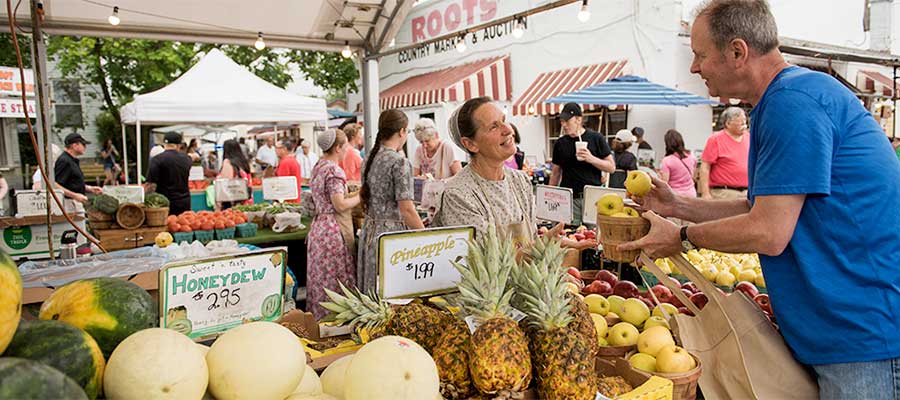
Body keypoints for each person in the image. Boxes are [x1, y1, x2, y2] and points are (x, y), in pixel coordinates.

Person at [618, 1, 900, 397]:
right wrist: (677, 205)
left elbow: (769, 231)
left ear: (737, 52)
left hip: (863, 335)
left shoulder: (793, 104)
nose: (695, 67)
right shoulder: (786, 99)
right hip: (845, 331)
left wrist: (681, 236)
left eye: (700, 56)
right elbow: (763, 209)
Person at [432, 97, 597, 251]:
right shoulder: (458, 195)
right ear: (470, 144)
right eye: (494, 126)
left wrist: (557, 242)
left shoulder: (520, 180)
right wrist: (543, 245)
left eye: (504, 121)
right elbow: (483, 261)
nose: (508, 130)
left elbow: (530, 240)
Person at [357, 110, 425, 292]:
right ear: (402, 131)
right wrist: (427, 238)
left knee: (372, 294)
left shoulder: (369, 159)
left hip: (370, 231)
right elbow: (407, 209)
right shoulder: (399, 162)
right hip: (390, 237)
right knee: (390, 295)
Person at [307, 128, 360, 319]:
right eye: (345, 144)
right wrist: (360, 196)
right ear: (337, 148)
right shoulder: (334, 170)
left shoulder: (318, 166)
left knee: (320, 279)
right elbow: (340, 204)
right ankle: (334, 322)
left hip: (318, 228)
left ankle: (318, 320)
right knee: (336, 280)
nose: (347, 149)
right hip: (332, 230)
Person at [550, 102, 615, 225]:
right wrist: (549, 197)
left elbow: (611, 167)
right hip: (569, 198)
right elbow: (555, 173)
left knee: (593, 236)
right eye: (562, 122)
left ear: (578, 120)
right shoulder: (560, 143)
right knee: (571, 234)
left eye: (567, 121)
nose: (564, 125)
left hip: (592, 198)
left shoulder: (596, 138)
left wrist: (591, 158)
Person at [698, 106, 749, 199]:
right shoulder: (716, 139)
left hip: (746, 191)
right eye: (739, 120)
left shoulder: (749, 137)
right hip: (724, 192)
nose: (743, 123)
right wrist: (705, 193)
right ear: (728, 123)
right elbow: (705, 166)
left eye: (744, 120)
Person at [146, 132, 192, 215]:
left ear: (164, 144)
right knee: (183, 225)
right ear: (179, 145)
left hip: (164, 204)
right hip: (184, 202)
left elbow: (150, 185)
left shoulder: (157, 160)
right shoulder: (187, 159)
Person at [54, 133, 102, 203]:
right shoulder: (64, 161)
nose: (85, 147)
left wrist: (89, 188)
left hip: (75, 201)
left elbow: (71, 183)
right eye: (83, 144)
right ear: (74, 145)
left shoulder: (71, 160)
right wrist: (75, 196)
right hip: (68, 202)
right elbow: (55, 185)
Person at [659, 129, 697, 197]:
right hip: (691, 195)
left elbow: (664, 184)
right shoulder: (692, 156)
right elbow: (693, 176)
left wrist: (659, 176)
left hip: (676, 197)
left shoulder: (667, 161)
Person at [216, 139, 252, 210]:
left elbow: (225, 185)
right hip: (246, 202)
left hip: (233, 205)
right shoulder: (243, 163)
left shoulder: (228, 163)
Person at [275, 139, 302, 203]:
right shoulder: (293, 160)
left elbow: (281, 183)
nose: (275, 150)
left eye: (277, 148)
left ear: (284, 149)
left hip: (288, 201)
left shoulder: (285, 162)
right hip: (294, 199)